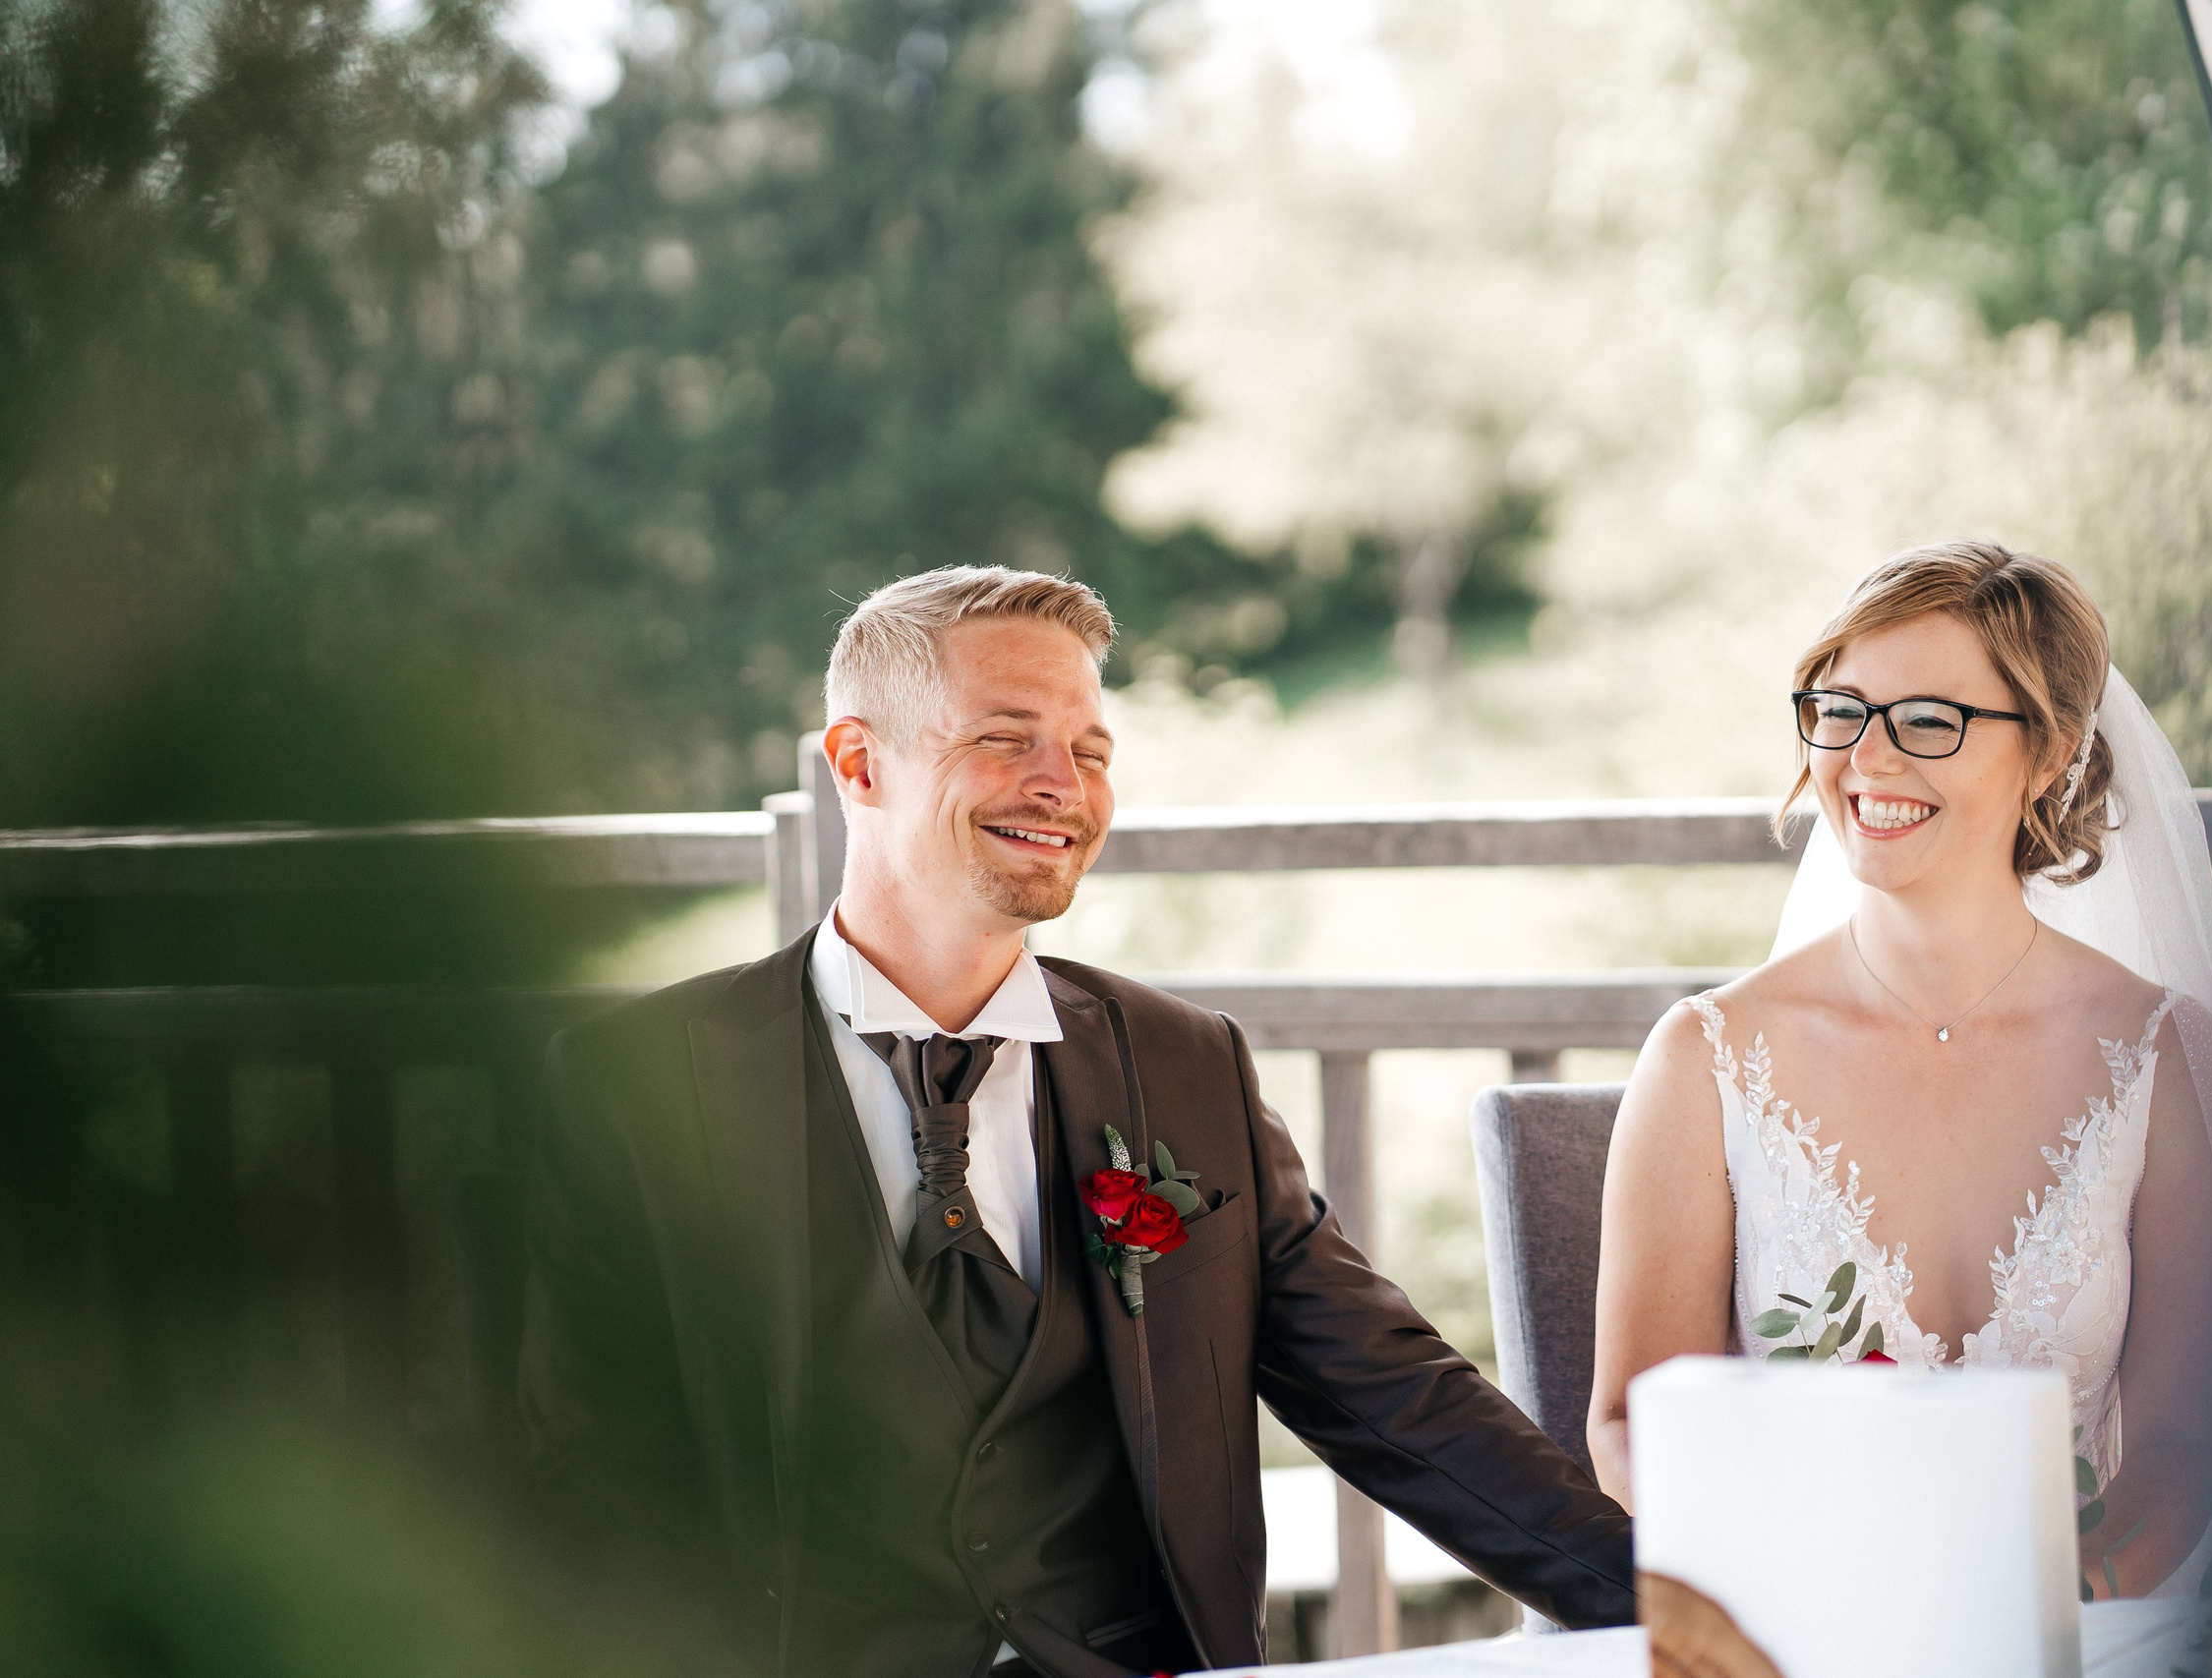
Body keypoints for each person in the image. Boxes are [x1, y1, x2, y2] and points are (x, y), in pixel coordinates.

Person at [518, 566, 1769, 1678]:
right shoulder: (638, 1086)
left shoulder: (1183, 1066)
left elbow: (1394, 1397)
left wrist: (1669, 1608)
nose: (1061, 786)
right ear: (858, 764)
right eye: (1006, 739)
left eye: (1091, 749)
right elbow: (580, 1485)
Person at [1590, 543, 2212, 1625]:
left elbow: (2183, 1443)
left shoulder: (2161, 1055)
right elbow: (1632, 1423)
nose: (1868, 758)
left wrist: (2050, 1607)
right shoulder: (1702, 1059)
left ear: (2050, 752)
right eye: (1842, 711)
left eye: (1928, 721)